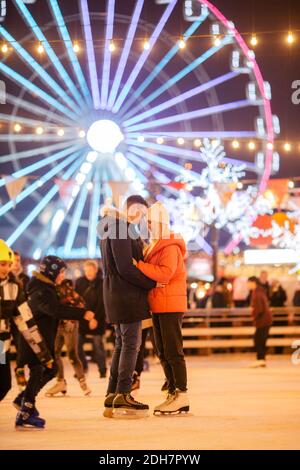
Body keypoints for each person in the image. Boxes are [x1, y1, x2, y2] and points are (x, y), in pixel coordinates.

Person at [14, 256, 96, 429]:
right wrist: (82, 314)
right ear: (51, 272)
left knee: (49, 370)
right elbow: (55, 310)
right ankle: (25, 409)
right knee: (45, 370)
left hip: (39, 339)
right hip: (35, 340)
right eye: (61, 272)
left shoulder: (45, 287)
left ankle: (24, 400)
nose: (62, 275)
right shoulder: (41, 290)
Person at [98, 195, 157, 418]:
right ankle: (123, 392)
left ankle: (113, 393)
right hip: (127, 295)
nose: (141, 216)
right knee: (131, 344)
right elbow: (125, 267)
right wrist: (150, 282)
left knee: (122, 344)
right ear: (129, 209)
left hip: (114, 293)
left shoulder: (109, 229)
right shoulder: (121, 228)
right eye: (139, 210)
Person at [134, 202, 189, 415]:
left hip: (170, 304)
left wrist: (138, 266)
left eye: (150, 222)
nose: (147, 226)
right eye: (146, 222)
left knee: (173, 350)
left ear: (160, 222)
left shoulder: (170, 247)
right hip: (158, 303)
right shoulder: (156, 246)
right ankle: (173, 391)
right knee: (162, 350)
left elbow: (164, 274)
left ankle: (181, 393)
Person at [0, 240, 52, 403]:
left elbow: (26, 322)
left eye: (8, 264)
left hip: (1, 346)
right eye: (2, 264)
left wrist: (44, 355)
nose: (6, 268)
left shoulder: (14, 287)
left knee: (3, 385)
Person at [45, 279, 92, 397]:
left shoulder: (66, 289)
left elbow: (81, 303)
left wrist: (73, 319)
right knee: (54, 353)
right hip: (56, 326)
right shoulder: (49, 289)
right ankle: (60, 382)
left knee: (72, 354)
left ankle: (82, 382)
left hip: (69, 325)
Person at [76, 260, 107, 379]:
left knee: (98, 345)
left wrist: (94, 319)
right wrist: (84, 317)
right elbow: (78, 302)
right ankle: (83, 367)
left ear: (95, 270)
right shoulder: (79, 282)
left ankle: (102, 370)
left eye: (90, 270)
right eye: (86, 270)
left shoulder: (102, 283)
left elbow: (102, 304)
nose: (88, 273)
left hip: (98, 319)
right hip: (83, 318)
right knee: (77, 344)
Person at [10, 251, 30, 390]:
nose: (17, 263)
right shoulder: (4, 279)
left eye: (18, 260)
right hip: (4, 320)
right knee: (1, 348)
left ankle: (20, 370)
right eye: (14, 260)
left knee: (20, 345)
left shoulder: (25, 279)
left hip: (19, 318)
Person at [247, 276, 272, 368]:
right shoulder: (260, 291)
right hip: (266, 319)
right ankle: (261, 359)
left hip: (262, 320)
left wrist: (254, 316)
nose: (247, 285)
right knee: (261, 339)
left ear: (253, 282)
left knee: (258, 339)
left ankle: (260, 359)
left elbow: (259, 308)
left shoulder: (257, 293)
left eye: (248, 283)